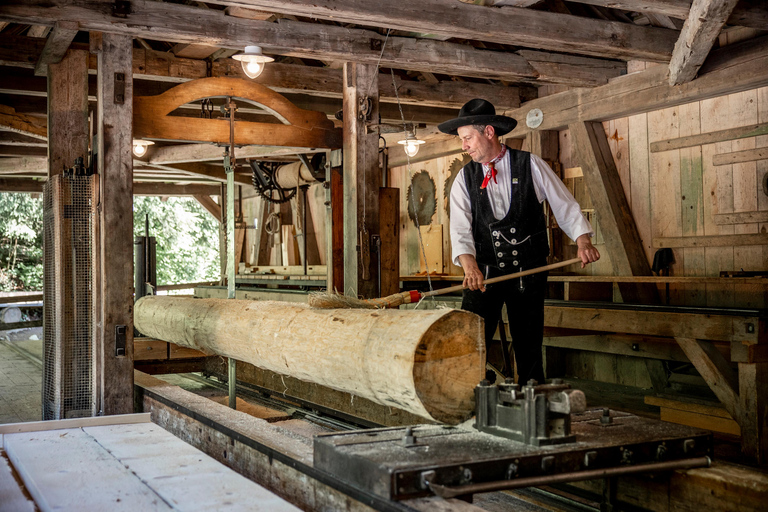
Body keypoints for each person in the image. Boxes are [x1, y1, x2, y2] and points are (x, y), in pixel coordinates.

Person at [438, 98, 600, 385]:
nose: (463, 146)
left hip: (528, 269)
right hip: (483, 273)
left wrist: (583, 241)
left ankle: (531, 395)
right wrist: (469, 267)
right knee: (471, 339)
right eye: (462, 140)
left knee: (528, 339)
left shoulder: (530, 165)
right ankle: (469, 394)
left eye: (467, 138)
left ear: (489, 132)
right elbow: (460, 228)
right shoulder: (465, 178)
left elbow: (565, 205)